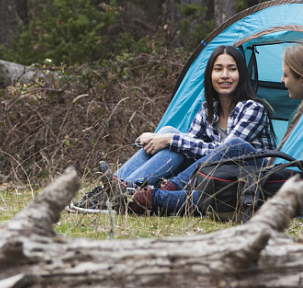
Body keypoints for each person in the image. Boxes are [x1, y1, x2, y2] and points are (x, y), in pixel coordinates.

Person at [69, 45, 277, 215]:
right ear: (210, 75)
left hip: (247, 174)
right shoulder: (208, 109)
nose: (225, 75)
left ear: (241, 74)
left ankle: (132, 191)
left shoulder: (252, 108)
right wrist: (161, 138)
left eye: (232, 69)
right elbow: (190, 144)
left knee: (225, 144)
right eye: (218, 69)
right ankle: (111, 191)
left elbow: (223, 152)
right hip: (212, 174)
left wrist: (169, 139)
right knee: (172, 134)